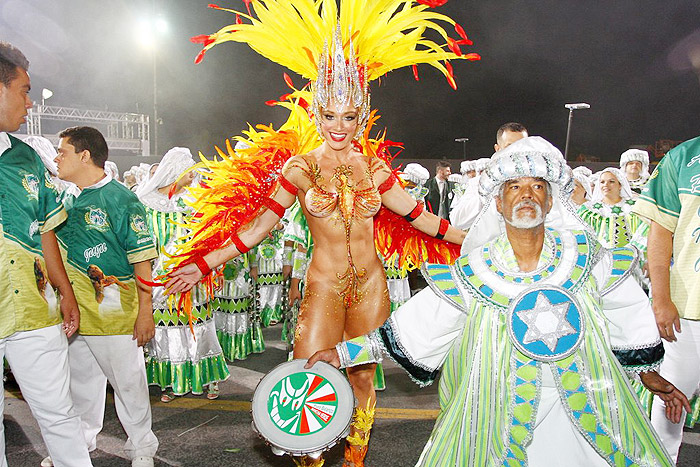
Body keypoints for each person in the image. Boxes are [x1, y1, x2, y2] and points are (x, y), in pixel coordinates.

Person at [171, 3, 474, 464]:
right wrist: (203, 263)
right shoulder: (301, 167)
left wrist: (477, 240)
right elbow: (257, 229)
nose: (339, 126)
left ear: (361, 116)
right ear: (316, 114)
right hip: (324, 286)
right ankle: (308, 462)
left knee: (363, 380)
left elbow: (423, 219)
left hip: (371, 287)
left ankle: (355, 460)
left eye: (349, 117)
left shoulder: (374, 168)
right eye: (330, 116)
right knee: (306, 378)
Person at [307, 136, 688, 466]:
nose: (526, 195)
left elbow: (623, 311)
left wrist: (650, 375)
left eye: (537, 187)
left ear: (551, 201)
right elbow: (421, 323)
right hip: (501, 411)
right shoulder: (477, 272)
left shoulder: (586, 257)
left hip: (587, 405)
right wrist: (342, 354)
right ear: (499, 204)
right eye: (513, 188)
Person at [0, 41, 92, 467]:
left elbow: (47, 233)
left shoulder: (27, 160)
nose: (29, 101)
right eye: (24, 89)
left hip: (34, 309)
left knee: (59, 415)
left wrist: (65, 290)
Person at [51, 126, 159, 467]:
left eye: (63, 152)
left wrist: (146, 312)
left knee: (128, 385)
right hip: (76, 314)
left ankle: (142, 449)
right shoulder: (68, 198)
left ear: (85, 156)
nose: (57, 158)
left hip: (114, 313)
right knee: (81, 385)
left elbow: (141, 260)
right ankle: (80, 445)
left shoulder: (122, 199)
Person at [136, 147, 230, 402]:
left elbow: (212, 239)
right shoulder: (145, 203)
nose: (193, 180)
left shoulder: (195, 203)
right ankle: (172, 381)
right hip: (161, 279)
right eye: (189, 175)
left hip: (194, 277)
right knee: (168, 329)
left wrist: (215, 268)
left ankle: (207, 378)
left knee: (198, 327)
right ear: (175, 172)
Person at [631, 135, 700, 462]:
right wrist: (660, 299)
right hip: (687, 312)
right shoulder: (684, 157)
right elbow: (660, 232)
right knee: (670, 404)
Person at [450, 122, 528, 230]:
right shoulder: (479, 183)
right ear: (498, 149)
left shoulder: (539, 183)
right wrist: (488, 191)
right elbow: (457, 221)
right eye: (509, 146)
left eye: (522, 146)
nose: (516, 152)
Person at [577, 167, 647, 250]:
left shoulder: (635, 206)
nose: (606, 185)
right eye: (602, 182)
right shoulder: (589, 210)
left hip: (634, 256)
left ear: (620, 185)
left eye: (611, 182)